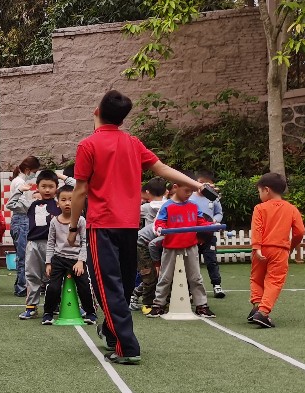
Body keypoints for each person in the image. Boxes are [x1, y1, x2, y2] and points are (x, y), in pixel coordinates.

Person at [67, 90, 210, 365]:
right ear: (122, 119)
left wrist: (73, 227)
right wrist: (198, 186)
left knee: (107, 286)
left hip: (102, 225)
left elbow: (81, 190)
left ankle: (127, 346)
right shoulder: (132, 143)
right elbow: (163, 169)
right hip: (129, 225)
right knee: (119, 285)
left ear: (96, 111)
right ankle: (112, 333)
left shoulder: (88, 145)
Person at [147, 182, 215, 318]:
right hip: (171, 246)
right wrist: (160, 228)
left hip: (190, 246)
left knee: (195, 277)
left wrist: (212, 225)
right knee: (165, 277)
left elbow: (201, 222)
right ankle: (158, 305)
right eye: (186, 190)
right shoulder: (167, 206)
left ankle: (201, 305)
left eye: (191, 191)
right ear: (175, 187)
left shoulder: (193, 205)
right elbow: (159, 222)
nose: (189, 194)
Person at [249, 172, 305, 328]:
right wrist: (291, 246)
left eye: (259, 191)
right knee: (274, 281)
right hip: (280, 250)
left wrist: (256, 247)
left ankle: (257, 306)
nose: (259, 195)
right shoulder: (291, 209)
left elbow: (257, 228)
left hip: (261, 249)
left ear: (266, 190)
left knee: (256, 279)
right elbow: (300, 231)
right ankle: (263, 312)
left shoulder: (259, 208)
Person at [43, 185, 96, 325]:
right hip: (59, 259)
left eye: (71, 200)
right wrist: (48, 262)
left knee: (84, 286)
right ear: (57, 203)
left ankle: (90, 312)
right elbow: (50, 243)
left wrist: (81, 261)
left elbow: (85, 242)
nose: (67, 203)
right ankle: (48, 313)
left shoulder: (81, 220)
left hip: (76, 259)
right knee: (53, 287)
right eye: (63, 200)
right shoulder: (54, 221)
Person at [19, 169, 61, 320]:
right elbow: (12, 204)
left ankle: (55, 305)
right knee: (32, 275)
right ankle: (31, 307)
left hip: (54, 245)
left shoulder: (60, 204)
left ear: (56, 187)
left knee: (55, 276)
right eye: (44, 186)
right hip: (34, 244)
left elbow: (76, 192)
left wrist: (64, 178)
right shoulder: (31, 205)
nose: (47, 190)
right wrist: (19, 191)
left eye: (51, 186)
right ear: (37, 187)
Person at [6, 156, 40, 296]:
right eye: (34, 172)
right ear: (27, 170)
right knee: (24, 256)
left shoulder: (17, 180)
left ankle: (21, 285)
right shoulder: (20, 182)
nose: (34, 175)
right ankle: (22, 287)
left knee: (23, 255)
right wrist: (34, 205)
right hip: (21, 219)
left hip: (19, 220)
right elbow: (20, 203)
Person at [189, 169, 225, 298]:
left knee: (211, 260)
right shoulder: (190, 197)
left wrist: (215, 221)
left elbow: (219, 213)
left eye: (208, 184)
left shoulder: (213, 198)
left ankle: (217, 285)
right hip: (193, 234)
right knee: (192, 263)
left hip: (209, 234)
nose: (205, 186)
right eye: (201, 183)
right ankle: (191, 289)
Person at [134, 178, 167, 310]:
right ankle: (146, 302)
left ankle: (150, 298)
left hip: (156, 242)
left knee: (153, 273)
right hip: (147, 242)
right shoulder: (168, 205)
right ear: (166, 191)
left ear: (148, 192)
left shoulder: (147, 207)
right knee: (150, 273)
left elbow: (133, 212)